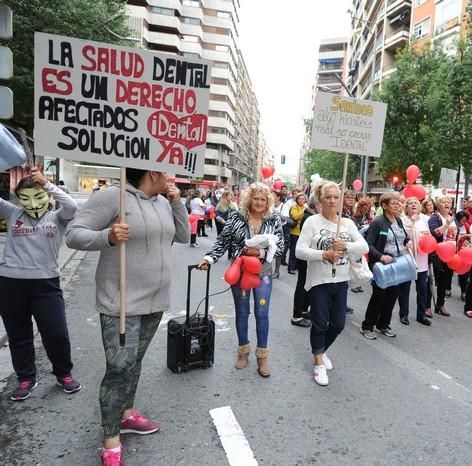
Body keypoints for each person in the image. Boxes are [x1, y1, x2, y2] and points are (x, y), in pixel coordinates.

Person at [66, 168, 189, 466]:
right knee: (119, 366)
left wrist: (177, 203)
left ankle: (127, 414)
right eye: (166, 173)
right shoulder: (113, 196)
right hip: (119, 302)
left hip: (154, 301)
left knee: (134, 363)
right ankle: (110, 439)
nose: (170, 177)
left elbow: (183, 236)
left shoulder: (163, 201)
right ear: (152, 172)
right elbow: (73, 234)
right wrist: (107, 236)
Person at [0, 168, 81, 402]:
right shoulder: (13, 213)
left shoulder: (56, 217)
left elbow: (72, 207)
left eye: (38, 195)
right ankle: (26, 377)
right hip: (10, 283)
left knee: (56, 333)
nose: (32, 203)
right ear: (18, 198)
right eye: (25, 197)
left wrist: (47, 184)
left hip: (46, 284)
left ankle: (63, 373)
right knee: (18, 335)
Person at [197, 183, 284, 376]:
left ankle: (262, 356)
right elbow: (222, 241)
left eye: (263, 199)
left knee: (262, 312)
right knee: (242, 312)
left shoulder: (274, 219)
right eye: (256, 198)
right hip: (241, 272)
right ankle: (243, 351)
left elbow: (281, 247)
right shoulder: (236, 217)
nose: (259, 202)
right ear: (249, 199)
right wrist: (209, 258)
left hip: (263, 273)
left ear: (268, 201)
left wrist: (260, 251)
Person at [295, 181, 368, 386]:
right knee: (320, 322)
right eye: (328, 197)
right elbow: (299, 251)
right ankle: (318, 361)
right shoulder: (312, 222)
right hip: (319, 280)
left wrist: (346, 245)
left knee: (338, 324)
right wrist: (324, 254)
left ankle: (322, 349)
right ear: (321, 199)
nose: (333, 201)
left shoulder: (348, 223)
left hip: (341, 279)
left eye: (336, 197)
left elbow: (363, 247)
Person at [361, 192, 411, 338]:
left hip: (397, 264)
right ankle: (367, 326)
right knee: (379, 295)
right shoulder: (378, 222)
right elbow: (368, 244)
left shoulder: (399, 220)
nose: (399, 206)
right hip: (381, 266)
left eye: (399, 203)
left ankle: (383, 325)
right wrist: (381, 256)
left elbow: (403, 237)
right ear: (384, 206)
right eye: (395, 203)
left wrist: (407, 241)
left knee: (392, 295)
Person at [402, 197, 432, 326]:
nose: (413, 205)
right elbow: (403, 237)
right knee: (405, 290)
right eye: (410, 203)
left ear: (420, 207)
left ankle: (421, 315)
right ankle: (403, 315)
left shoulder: (424, 221)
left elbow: (429, 238)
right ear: (406, 207)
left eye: (416, 203)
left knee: (422, 290)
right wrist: (412, 222)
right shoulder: (403, 220)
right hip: (409, 260)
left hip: (422, 261)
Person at [291, 194, 321, 328]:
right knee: (302, 283)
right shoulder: (309, 218)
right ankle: (296, 315)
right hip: (305, 255)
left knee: (308, 283)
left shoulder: (313, 216)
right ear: (316, 204)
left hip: (310, 255)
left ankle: (303, 309)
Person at [428, 195, 457, 316]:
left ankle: (440, 305)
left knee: (445, 281)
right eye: (443, 202)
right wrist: (446, 224)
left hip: (451, 254)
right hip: (437, 254)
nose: (446, 204)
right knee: (432, 280)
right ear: (438, 205)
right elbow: (434, 233)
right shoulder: (435, 218)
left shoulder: (452, 218)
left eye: (448, 202)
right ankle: (427, 306)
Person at [287, 192, 306, 274]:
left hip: (303, 232)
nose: (301, 200)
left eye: (303, 199)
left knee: (300, 250)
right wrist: (303, 211)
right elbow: (295, 216)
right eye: (300, 199)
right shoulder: (294, 207)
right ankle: (291, 267)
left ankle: (297, 266)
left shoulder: (306, 207)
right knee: (293, 250)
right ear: (297, 199)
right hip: (295, 232)